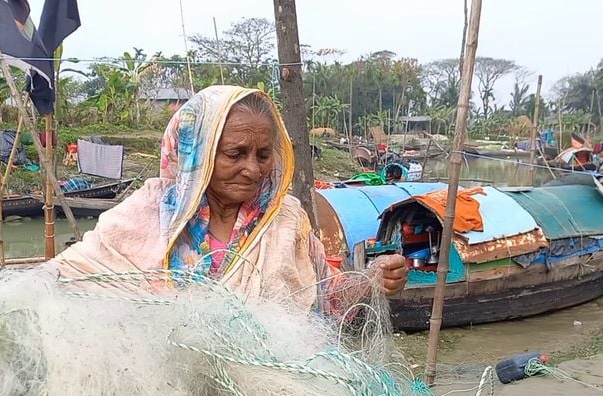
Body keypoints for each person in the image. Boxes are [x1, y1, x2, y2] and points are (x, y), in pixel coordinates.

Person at [50, 86, 407, 316]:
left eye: (263, 154)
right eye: (235, 153)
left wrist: (371, 280)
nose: (252, 169)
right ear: (195, 154)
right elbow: (65, 280)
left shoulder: (284, 220)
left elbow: (325, 296)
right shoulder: (141, 216)